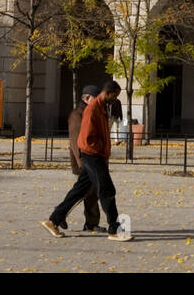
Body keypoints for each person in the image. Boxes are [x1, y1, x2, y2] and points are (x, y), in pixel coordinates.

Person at [41, 80, 132, 241]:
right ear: (108, 92)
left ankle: (53, 220)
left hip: (95, 155)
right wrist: (98, 152)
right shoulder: (93, 109)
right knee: (107, 190)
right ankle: (115, 230)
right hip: (93, 156)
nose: (115, 99)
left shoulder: (101, 108)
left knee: (79, 191)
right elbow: (85, 138)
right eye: (115, 95)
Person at [67, 85, 102, 232]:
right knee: (84, 193)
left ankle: (91, 223)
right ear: (87, 98)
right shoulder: (77, 115)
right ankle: (58, 217)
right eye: (96, 99)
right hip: (85, 163)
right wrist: (82, 164)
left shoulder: (89, 112)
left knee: (91, 193)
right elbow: (76, 143)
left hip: (91, 161)